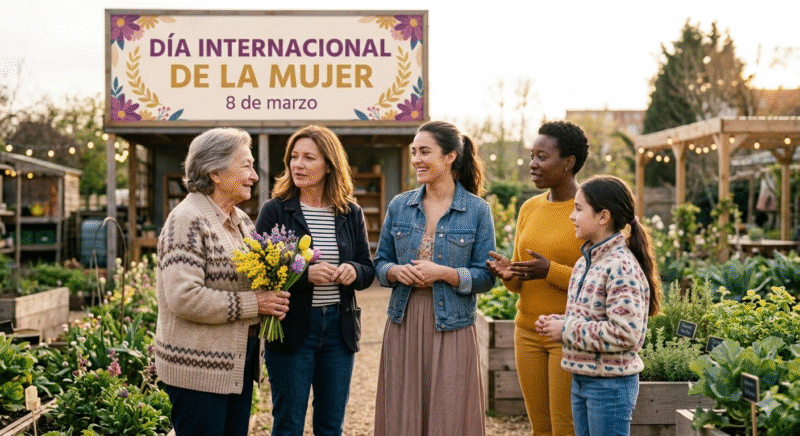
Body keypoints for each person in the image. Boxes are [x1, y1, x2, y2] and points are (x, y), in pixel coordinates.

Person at [155, 127, 290, 436]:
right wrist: (256, 303)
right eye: (246, 165)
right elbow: (184, 297)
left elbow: (246, 281)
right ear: (215, 172)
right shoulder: (186, 220)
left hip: (233, 367)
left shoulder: (240, 221)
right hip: (198, 372)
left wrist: (273, 292)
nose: (254, 176)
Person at [373, 120, 496, 436]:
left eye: (425, 151)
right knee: (403, 410)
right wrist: (396, 271)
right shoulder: (400, 205)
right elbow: (381, 262)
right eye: (414, 152)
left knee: (449, 411)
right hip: (404, 320)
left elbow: (486, 277)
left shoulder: (478, 211)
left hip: (452, 325)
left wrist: (447, 274)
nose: (416, 160)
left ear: (450, 156)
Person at [255, 125, 375, 436]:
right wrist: (305, 275)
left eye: (309, 157)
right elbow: (259, 273)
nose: (298, 164)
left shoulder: (350, 212)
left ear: (329, 165)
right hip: (293, 329)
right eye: (294, 157)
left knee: (330, 425)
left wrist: (353, 271)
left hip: (339, 330)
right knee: (289, 424)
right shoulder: (275, 210)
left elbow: (367, 268)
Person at [536, 175, 662, 436]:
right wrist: (556, 323)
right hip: (581, 378)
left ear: (603, 217)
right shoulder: (586, 261)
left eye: (578, 209)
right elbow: (587, 317)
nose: (572, 216)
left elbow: (625, 333)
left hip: (610, 386)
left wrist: (566, 330)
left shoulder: (621, 267)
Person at [487, 120, 589, 436]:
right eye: (532, 155)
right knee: (540, 429)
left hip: (568, 333)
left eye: (542, 157)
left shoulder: (592, 209)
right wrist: (508, 274)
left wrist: (551, 271)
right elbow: (521, 282)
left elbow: (603, 280)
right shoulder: (529, 208)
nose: (532, 164)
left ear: (569, 163)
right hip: (527, 332)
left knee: (565, 428)